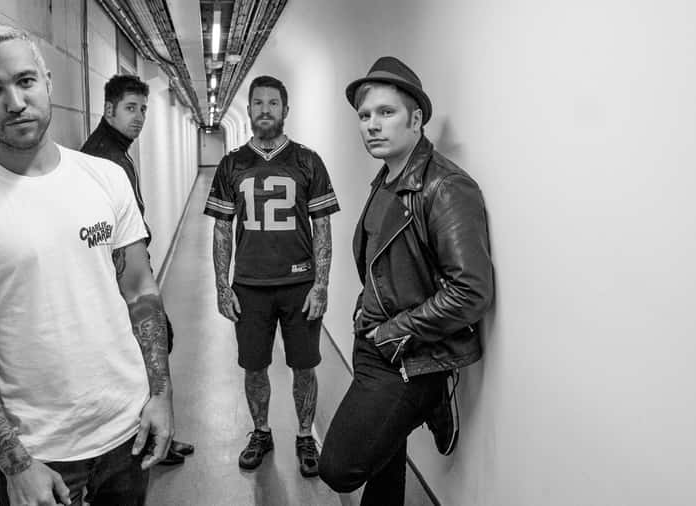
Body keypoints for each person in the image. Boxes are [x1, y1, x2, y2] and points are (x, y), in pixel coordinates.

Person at [0, 23, 173, 506]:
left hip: (129, 431)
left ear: (48, 81)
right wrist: (16, 462)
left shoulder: (105, 178)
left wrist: (161, 394)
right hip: (43, 458)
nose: (14, 101)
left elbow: (140, 289)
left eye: (25, 81)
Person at [319, 56, 494, 505]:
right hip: (375, 340)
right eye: (364, 115)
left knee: (340, 467)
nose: (372, 126)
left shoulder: (446, 187)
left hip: (409, 354)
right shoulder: (384, 181)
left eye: (386, 112)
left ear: (416, 119)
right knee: (385, 459)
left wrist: (393, 333)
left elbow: (470, 291)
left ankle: (434, 397)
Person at [204, 75, 339, 477]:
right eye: (258, 103)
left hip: (299, 285)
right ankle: (261, 432)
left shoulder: (307, 161)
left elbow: (322, 227)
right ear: (248, 110)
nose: (265, 110)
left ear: (285, 110)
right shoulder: (232, 164)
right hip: (249, 287)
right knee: (254, 367)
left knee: (304, 366)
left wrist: (321, 283)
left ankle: (303, 435)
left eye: (273, 103)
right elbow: (222, 228)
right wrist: (221, 284)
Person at [81, 74, 194, 466]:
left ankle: (154, 436)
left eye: (144, 109)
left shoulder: (116, 150)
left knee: (155, 350)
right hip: (120, 284)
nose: (140, 117)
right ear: (109, 109)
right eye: (130, 108)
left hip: (127, 276)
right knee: (148, 353)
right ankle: (149, 440)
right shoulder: (103, 157)